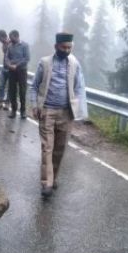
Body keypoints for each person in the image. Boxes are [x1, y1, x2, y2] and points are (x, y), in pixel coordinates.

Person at [29, 32, 88, 198]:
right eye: (64, 47)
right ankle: (46, 183)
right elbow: (34, 86)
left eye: (69, 47)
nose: (67, 50)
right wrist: (34, 106)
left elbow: (79, 88)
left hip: (66, 113)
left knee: (60, 149)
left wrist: (79, 111)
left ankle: (53, 177)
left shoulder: (75, 64)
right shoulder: (45, 63)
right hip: (47, 111)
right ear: (56, 46)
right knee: (47, 147)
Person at [4, 30, 30, 119]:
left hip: (22, 71)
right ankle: (13, 110)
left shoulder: (25, 45)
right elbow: (6, 57)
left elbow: (27, 58)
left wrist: (17, 65)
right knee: (12, 91)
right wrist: (8, 65)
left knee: (22, 91)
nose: (10, 39)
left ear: (16, 36)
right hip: (12, 71)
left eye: (11, 37)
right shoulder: (10, 46)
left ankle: (23, 111)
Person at [0, 29, 11, 110]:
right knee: (1, 86)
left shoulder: (11, 43)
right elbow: (5, 52)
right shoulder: (4, 45)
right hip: (4, 67)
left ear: (3, 36)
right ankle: (0, 102)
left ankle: (7, 104)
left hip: (11, 69)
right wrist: (4, 44)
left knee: (10, 87)